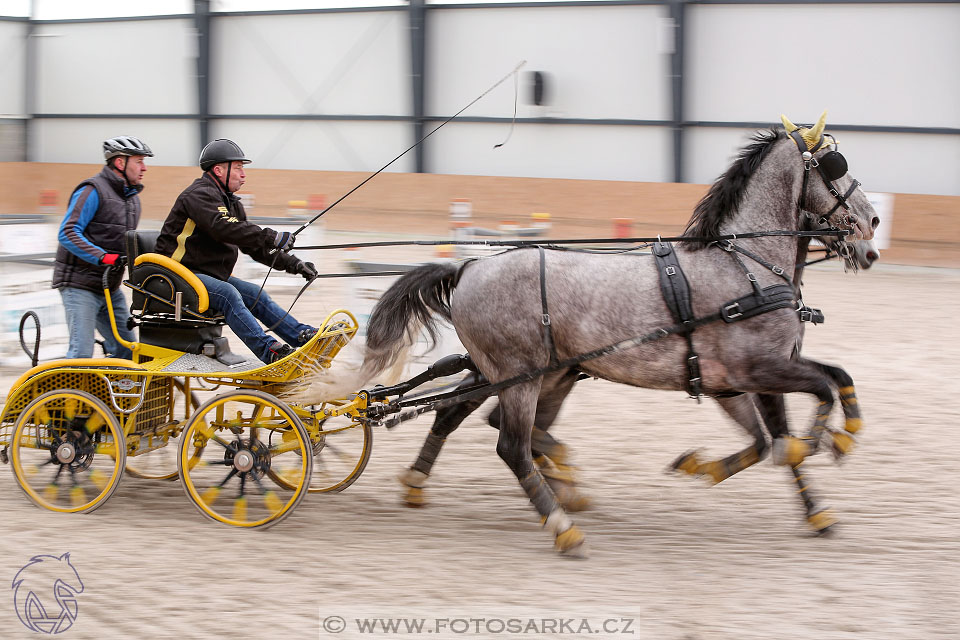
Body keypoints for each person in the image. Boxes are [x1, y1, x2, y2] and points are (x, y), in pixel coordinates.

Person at [155, 138, 318, 364]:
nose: (243, 174)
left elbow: (252, 246)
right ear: (219, 170)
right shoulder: (199, 195)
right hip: (177, 275)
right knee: (228, 294)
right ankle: (270, 351)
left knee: (254, 293)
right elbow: (223, 228)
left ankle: (301, 335)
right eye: (239, 167)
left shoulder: (231, 203)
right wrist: (272, 236)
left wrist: (294, 264)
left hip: (205, 275)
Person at [53, 135, 153, 360]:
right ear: (120, 162)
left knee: (128, 350)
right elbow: (68, 232)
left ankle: (115, 384)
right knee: (81, 352)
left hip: (109, 287)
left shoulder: (133, 201)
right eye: (139, 161)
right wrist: (103, 257)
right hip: (79, 284)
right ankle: (67, 385)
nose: (144, 168)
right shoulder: (92, 190)